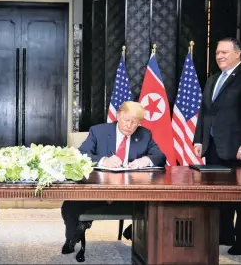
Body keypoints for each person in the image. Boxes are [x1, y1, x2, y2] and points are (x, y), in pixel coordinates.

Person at [60, 101, 166, 254]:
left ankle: (135, 231)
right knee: (69, 206)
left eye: (134, 123)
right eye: (126, 120)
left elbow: (160, 156)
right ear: (118, 115)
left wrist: (145, 160)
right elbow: (81, 154)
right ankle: (72, 237)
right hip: (98, 189)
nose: (129, 125)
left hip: (132, 193)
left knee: (158, 207)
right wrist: (104, 160)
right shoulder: (98, 131)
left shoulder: (144, 134)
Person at [193, 37, 241, 255]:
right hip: (213, 145)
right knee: (218, 193)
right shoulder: (213, 79)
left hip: (237, 146)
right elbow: (205, 112)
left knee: (240, 197)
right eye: (217, 53)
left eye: (224, 52)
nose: (220, 56)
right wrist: (199, 139)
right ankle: (224, 234)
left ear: (237, 54)